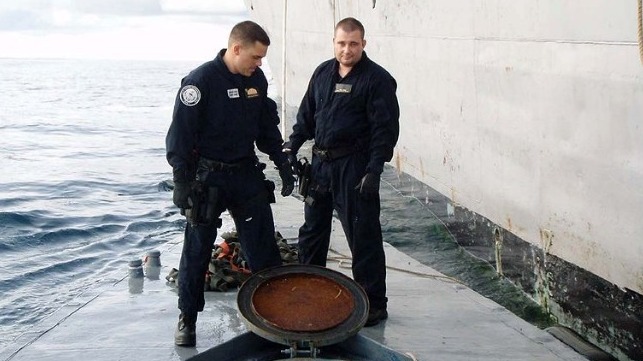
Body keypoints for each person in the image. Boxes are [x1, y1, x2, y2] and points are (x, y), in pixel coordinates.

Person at [165, 20, 295, 347]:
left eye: (262, 59)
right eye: (255, 57)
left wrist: (282, 163)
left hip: (244, 174)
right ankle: (187, 316)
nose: (259, 64)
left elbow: (267, 129)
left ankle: (273, 314)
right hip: (207, 178)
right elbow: (180, 135)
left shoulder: (257, 80)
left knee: (262, 247)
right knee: (196, 249)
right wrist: (182, 182)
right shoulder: (200, 82)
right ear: (236, 49)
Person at [283, 17, 400, 327]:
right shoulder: (322, 73)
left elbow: (384, 132)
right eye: (341, 43)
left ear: (363, 44)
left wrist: (374, 170)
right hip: (320, 166)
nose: (346, 49)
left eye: (353, 44)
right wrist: (291, 146)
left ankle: (374, 304)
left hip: (354, 168)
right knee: (312, 234)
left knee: (363, 238)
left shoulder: (377, 80)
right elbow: (306, 117)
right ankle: (310, 292)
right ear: (333, 42)